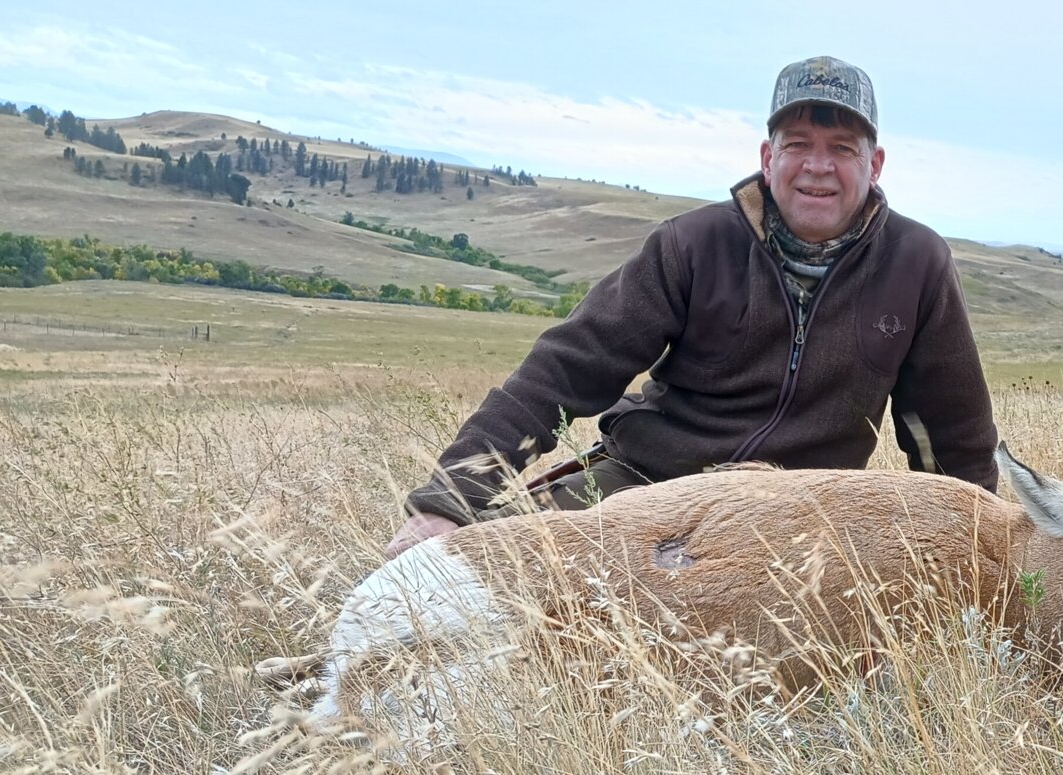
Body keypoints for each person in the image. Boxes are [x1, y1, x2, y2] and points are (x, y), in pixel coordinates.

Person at [384, 56, 999, 559]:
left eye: (842, 147)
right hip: (644, 483)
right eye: (798, 144)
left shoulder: (918, 264)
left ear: (875, 163)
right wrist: (447, 502)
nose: (818, 167)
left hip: (803, 520)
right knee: (488, 571)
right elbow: (565, 370)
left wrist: (975, 552)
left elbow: (950, 439)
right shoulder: (691, 244)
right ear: (767, 158)